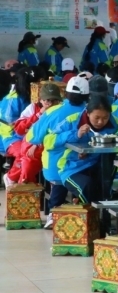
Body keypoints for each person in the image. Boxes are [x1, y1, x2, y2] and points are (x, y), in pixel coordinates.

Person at [26, 76, 90, 226]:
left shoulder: (52, 112)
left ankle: (53, 213)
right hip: (85, 164)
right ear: (87, 96)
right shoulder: (92, 111)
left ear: (65, 94)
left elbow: (32, 137)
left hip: (54, 165)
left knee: (59, 182)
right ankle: (85, 213)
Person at [56, 96, 118, 204]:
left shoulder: (115, 123)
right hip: (72, 167)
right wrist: (76, 134)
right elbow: (49, 140)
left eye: (105, 117)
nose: (100, 122)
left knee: (103, 190)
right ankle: (92, 212)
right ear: (88, 113)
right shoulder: (73, 121)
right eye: (97, 118)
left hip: (98, 167)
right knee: (87, 188)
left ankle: (101, 210)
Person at [2, 82, 63, 187]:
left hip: (46, 144)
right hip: (20, 139)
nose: (50, 103)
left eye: (54, 100)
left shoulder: (61, 110)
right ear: (40, 99)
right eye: (47, 100)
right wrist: (38, 115)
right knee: (28, 158)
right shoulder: (32, 108)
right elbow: (19, 129)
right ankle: (21, 184)